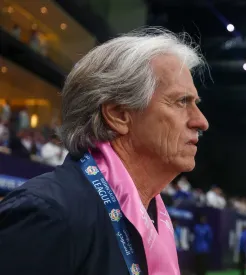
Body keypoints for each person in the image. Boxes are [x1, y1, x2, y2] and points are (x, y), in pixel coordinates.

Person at [0, 28, 209, 275]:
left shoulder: (151, 214)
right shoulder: (47, 213)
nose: (201, 121)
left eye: (195, 104)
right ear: (119, 115)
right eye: (181, 102)